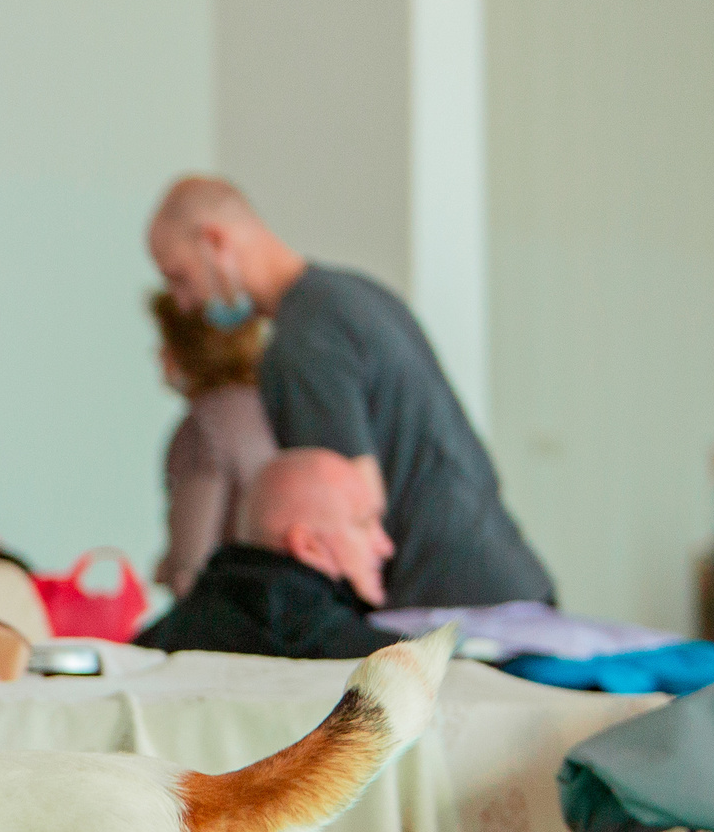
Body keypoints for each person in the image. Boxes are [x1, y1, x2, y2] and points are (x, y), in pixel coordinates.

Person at [146, 176, 552, 609]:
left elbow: (353, 507)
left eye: (179, 277)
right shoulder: (352, 296)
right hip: (505, 577)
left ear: (215, 241)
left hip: (451, 608)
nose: (183, 302)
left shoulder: (303, 343)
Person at [136, 447, 403, 659]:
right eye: (365, 523)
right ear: (307, 545)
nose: (385, 546)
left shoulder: (148, 649)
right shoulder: (379, 662)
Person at [147, 290, 278, 598]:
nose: (156, 354)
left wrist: (171, 571)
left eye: (164, 341)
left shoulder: (204, 427)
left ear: (187, 348)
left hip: (229, 608)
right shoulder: (269, 408)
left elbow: (190, 564)